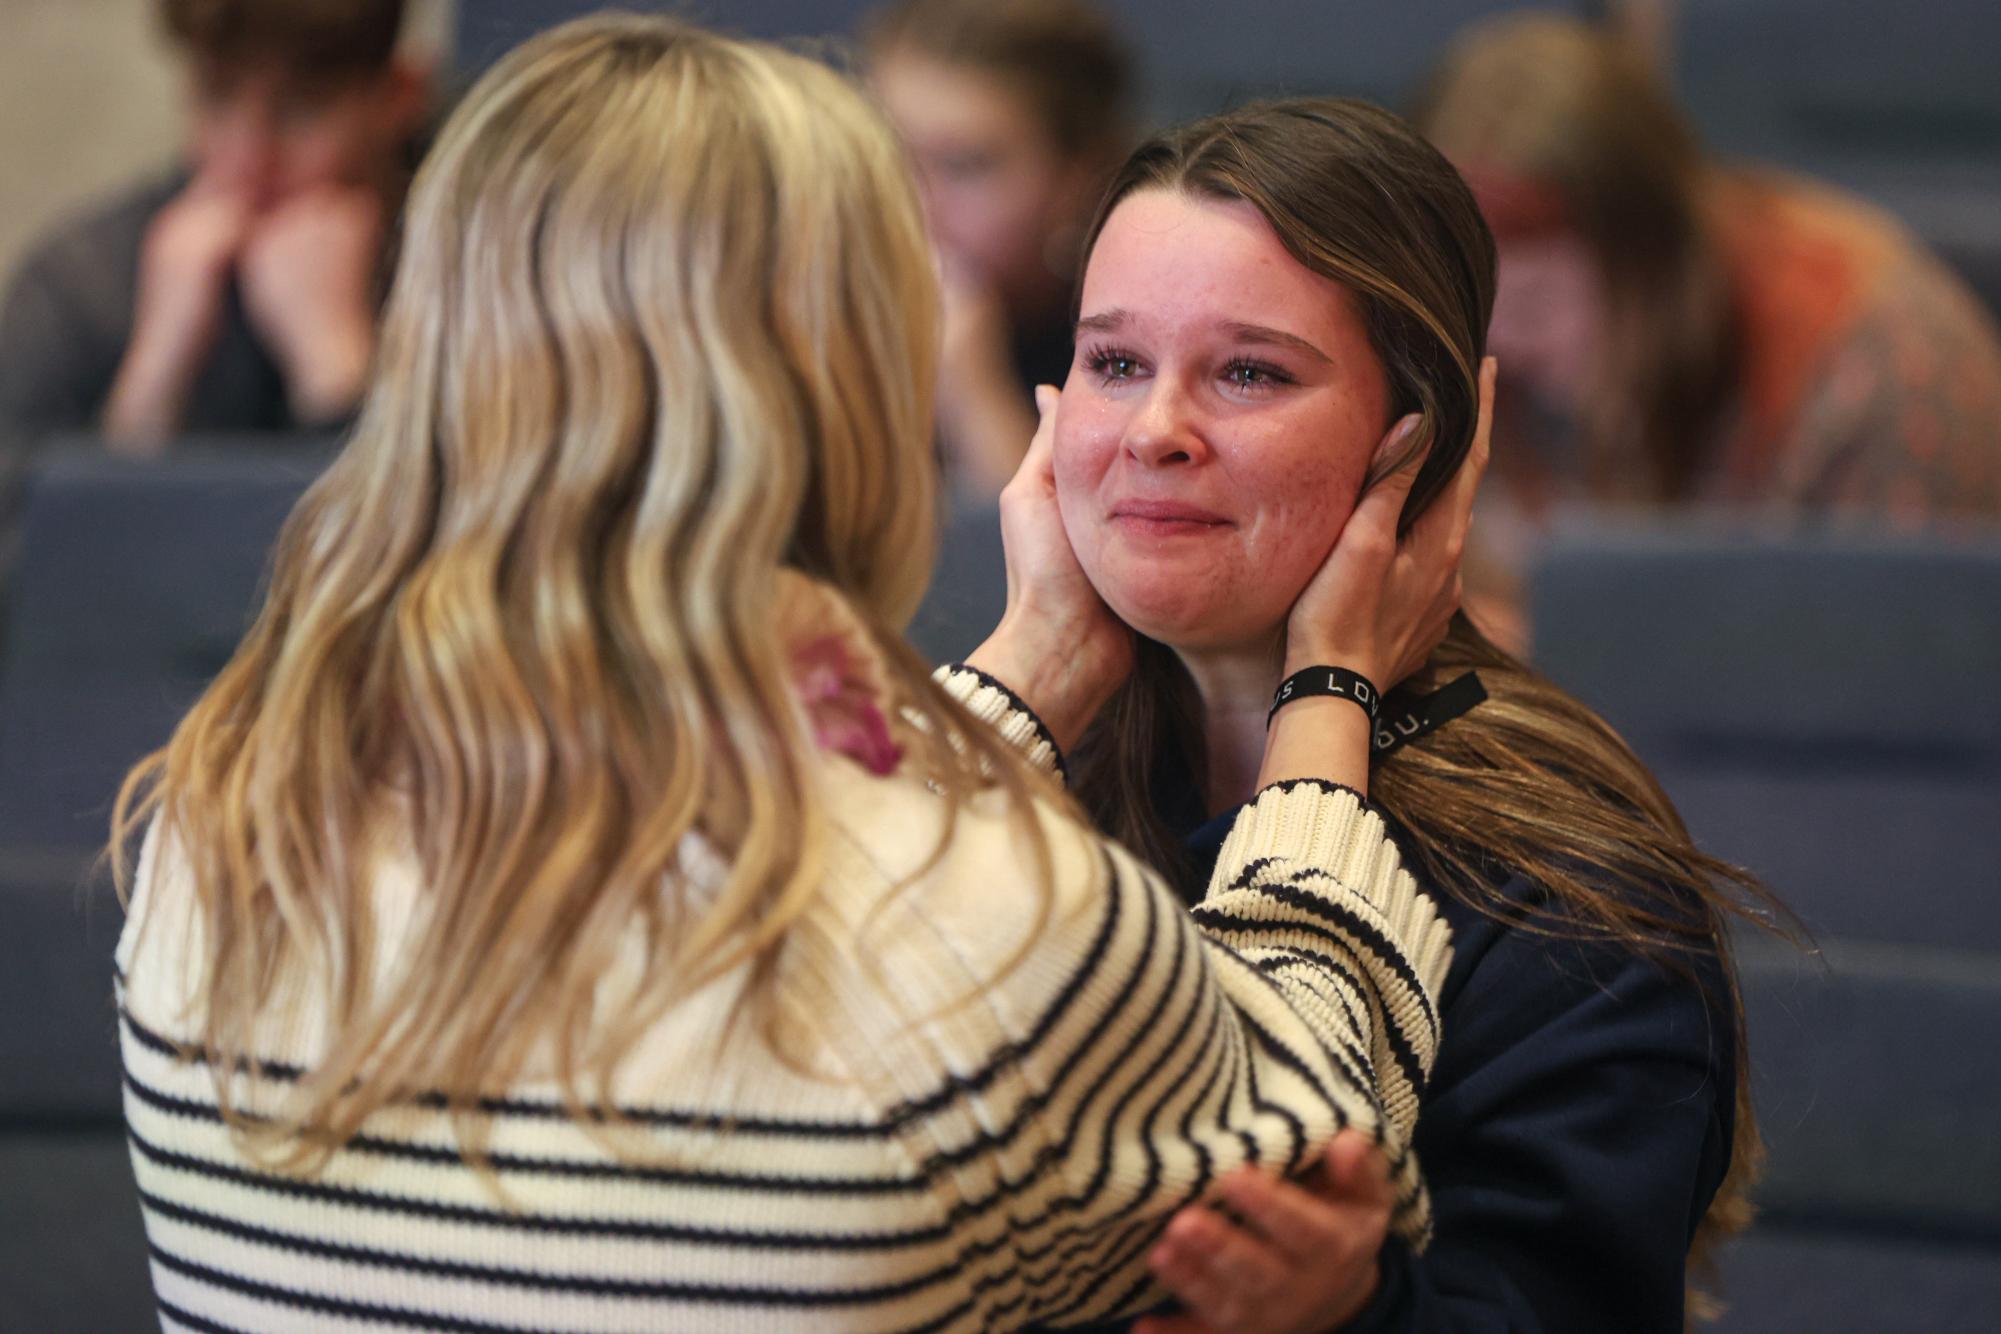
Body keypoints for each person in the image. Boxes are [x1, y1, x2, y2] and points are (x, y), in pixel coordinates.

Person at [111, 17, 1482, 1331]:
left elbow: (834, 815)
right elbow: (1312, 1145)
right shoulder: (980, 922)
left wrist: (1036, 664)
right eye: (1110, 358)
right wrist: (1328, 698)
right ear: (838, 384)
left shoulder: (206, 826)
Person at [1032, 99, 1782, 1332]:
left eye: (1249, 372)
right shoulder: (1024, 778)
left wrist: (1359, 1308)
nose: (1156, 431)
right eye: (1115, 364)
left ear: (1423, 441)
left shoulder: (1564, 883)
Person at [1408, 13, 2001, 640]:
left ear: (1658, 260)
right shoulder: (1484, 357)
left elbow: (1885, 678)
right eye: (1474, 297)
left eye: (1535, 305)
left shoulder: (1886, 374)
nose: (1499, 342)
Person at [0, 0, 430, 458]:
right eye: (219, 96)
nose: (249, 157)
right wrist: (152, 384)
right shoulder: (78, 283)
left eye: (304, 108)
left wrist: (338, 370)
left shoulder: (467, 263)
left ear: (398, 97)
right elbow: (20, 522)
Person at [866, 0, 1134, 498]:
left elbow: (1045, 568)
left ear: (1077, 179)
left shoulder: (1128, 340)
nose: (914, 202)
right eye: (884, 151)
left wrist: (972, 391)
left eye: (966, 166)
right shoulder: (820, 304)